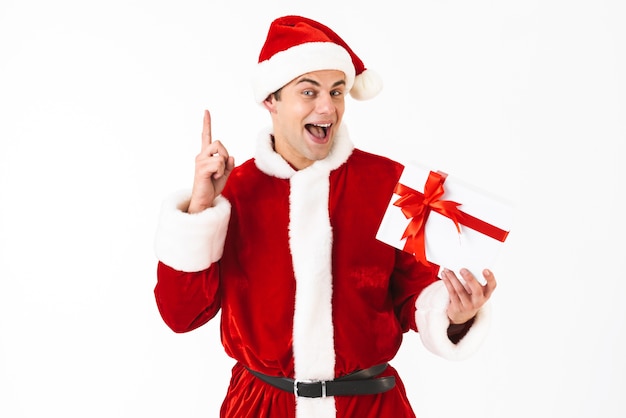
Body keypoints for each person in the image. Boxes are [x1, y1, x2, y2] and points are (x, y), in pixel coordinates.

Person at [154, 15, 497, 418]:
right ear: (271, 101)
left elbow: (414, 292)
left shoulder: (390, 182)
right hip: (262, 407)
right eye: (308, 91)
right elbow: (181, 315)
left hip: (371, 408)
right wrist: (199, 210)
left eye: (336, 92)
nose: (327, 107)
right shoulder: (232, 190)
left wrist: (454, 314)